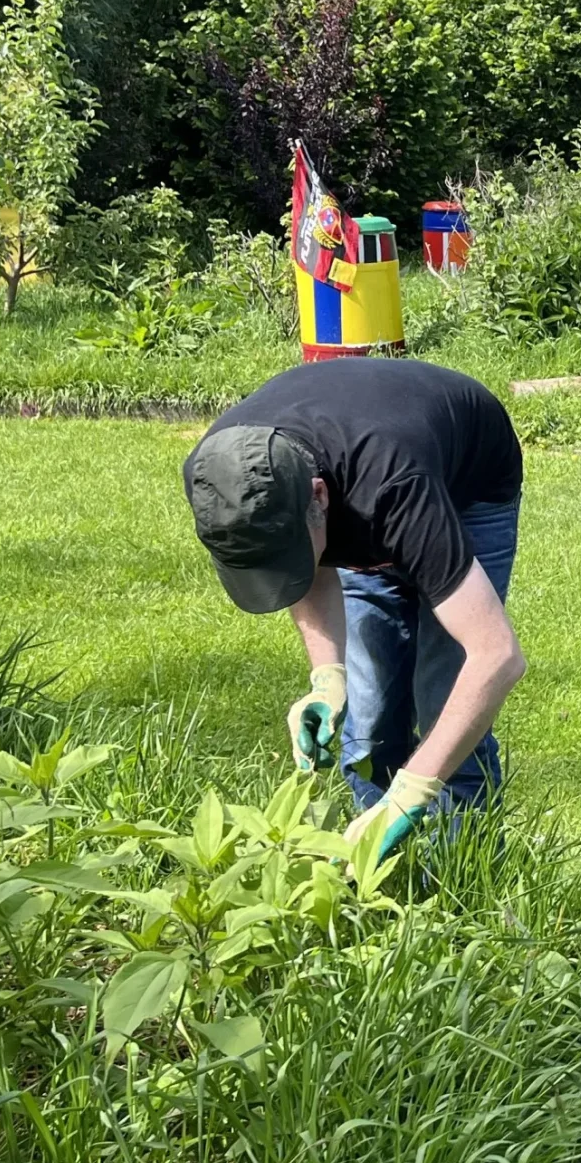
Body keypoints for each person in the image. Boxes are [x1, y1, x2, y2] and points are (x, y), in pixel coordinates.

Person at [182, 357, 525, 857]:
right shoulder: (216, 477)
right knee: (369, 724)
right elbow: (306, 566)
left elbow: (496, 656)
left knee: (445, 695)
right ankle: (375, 865)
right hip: (363, 474)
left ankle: (462, 871)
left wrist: (412, 790)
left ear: (319, 497)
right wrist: (327, 678)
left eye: (293, 551)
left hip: (467, 484)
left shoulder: (392, 487)